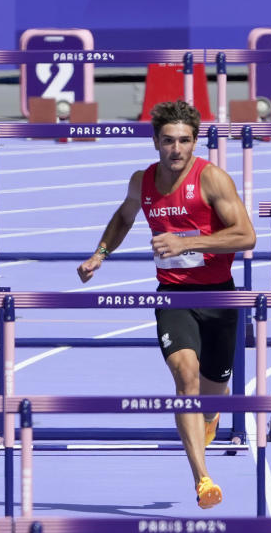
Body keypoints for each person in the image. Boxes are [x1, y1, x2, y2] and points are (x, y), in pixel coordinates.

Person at [77, 100, 256, 509]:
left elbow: (246, 236)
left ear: (195, 142)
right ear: (155, 141)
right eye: (169, 141)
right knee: (185, 376)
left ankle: (209, 418)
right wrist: (100, 254)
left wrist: (186, 242)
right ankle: (203, 478)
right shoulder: (142, 182)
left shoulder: (212, 180)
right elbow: (124, 218)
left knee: (213, 391)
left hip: (219, 294)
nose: (177, 149)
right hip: (174, 295)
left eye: (185, 141)